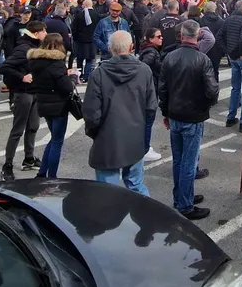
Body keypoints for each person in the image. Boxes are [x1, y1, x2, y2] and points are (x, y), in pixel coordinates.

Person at [83, 30, 156, 195]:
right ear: (131, 47)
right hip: (134, 136)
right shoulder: (144, 71)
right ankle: (143, 212)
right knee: (137, 186)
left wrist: (95, 133)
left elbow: (91, 113)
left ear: (110, 49)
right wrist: (143, 133)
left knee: (107, 192)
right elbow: (151, 107)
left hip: (107, 138)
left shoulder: (99, 74)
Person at [159, 20, 219, 220]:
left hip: (176, 113)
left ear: (182, 35)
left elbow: (163, 89)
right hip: (192, 116)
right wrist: (205, 106)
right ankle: (185, 204)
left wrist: (166, 112)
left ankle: (182, 196)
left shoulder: (170, 57)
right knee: (188, 162)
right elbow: (212, 90)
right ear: (198, 35)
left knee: (179, 159)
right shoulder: (202, 59)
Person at [0, 19, 47, 178]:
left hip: (35, 92)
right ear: (37, 33)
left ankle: (29, 159)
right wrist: (22, 77)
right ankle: (8, 165)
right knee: (17, 130)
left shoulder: (36, 47)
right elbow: (3, 67)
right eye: (44, 31)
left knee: (33, 127)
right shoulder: (24, 49)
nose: (46, 34)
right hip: (23, 93)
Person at [27, 32, 77, 179]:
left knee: (54, 138)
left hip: (43, 102)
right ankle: (52, 176)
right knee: (57, 141)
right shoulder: (56, 63)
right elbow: (66, 87)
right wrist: (73, 77)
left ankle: (42, 172)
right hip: (58, 105)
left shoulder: (35, 61)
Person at [220, 0, 242, 130]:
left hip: (233, 56)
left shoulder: (228, 19)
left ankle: (231, 117)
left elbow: (219, 36)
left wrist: (227, 51)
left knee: (235, 88)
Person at [138, 26, 165, 163]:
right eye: (158, 36)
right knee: (148, 120)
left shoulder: (150, 50)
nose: (161, 38)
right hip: (150, 91)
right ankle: (145, 150)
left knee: (146, 120)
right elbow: (143, 68)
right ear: (150, 39)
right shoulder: (152, 52)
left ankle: (144, 147)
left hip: (149, 90)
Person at [70, 0, 98, 82]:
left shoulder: (79, 15)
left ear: (85, 5)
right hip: (92, 41)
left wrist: (75, 38)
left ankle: (79, 75)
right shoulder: (96, 15)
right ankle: (86, 76)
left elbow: (74, 29)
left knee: (79, 59)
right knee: (89, 59)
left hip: (80, 41)